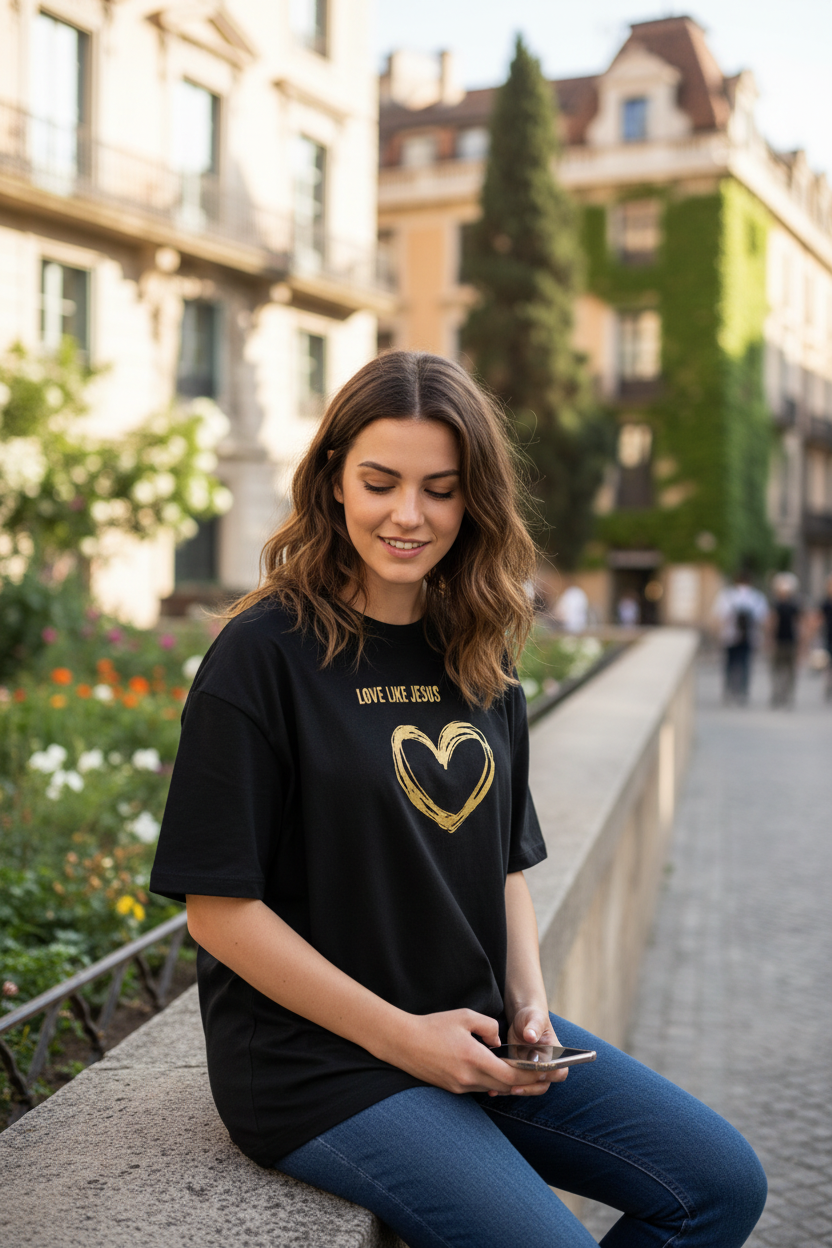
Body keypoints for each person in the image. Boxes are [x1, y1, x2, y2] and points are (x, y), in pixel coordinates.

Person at [150, 352, 766, 1248]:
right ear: (333, 481)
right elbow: (219, 912)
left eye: (440, 490)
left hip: (473, 1029)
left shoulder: (478, 648)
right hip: (318, 1065)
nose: (409, 515)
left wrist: (530, 1005)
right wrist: (404, 1039)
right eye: (380, 483)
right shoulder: (261, 654)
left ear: (474, 499)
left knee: (719, 1184)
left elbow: (505, 862)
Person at [712, 571, 767, 705]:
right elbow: (763, 618)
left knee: (730, 664)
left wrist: (718, 635)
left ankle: (729, 690)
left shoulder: (727, 595)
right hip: (749, 636)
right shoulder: (756, 597)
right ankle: (743, 691)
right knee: (745, 664)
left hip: (730, 636)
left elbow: (719, 616)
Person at [768, 572, 803, 708]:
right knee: (777, 671)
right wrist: (770, 639)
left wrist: (802, 643)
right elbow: (772, 623)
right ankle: (778, 694)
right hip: (779, 642)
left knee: (790, 672)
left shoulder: (794, 606)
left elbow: (799, 625)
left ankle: (787, 696)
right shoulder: (776, 605)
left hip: (790, 642)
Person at [819, 573, 832, 702]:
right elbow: (819, 619)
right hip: (828, 637)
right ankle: (828, 686)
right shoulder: (825, 603)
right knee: (828, 664)